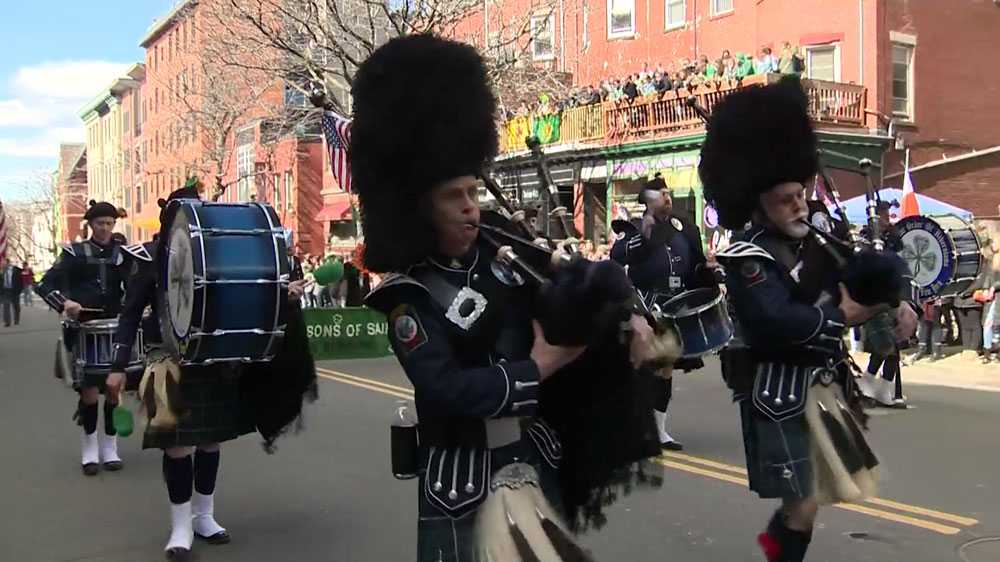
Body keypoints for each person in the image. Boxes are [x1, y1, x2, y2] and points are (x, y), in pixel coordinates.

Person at [350, 34, 664, 561]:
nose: (472, 208)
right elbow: (447, 387)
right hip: (462, 481)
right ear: (416, 207)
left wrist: (630, 313)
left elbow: (587, 276)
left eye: (474, 193)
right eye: (456, 198)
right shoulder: (408, 298)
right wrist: (537, 368)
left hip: (533, 460)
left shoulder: (504, 250)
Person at [701, 77, 918, 562]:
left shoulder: (815, 238)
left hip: (820, 386)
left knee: (812, 499)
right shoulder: (746, 257)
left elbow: (866, 272)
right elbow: (778, 322)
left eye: (800, 194)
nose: (799, 204)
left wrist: (899, 300)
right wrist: (841, 314)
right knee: (802, 502)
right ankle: (780, 551)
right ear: (757, 201)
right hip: (777, 391)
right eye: (785, 199)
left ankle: (777, 546)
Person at [107, 178, 316, 559]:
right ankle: (181, 525)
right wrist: (118, 365)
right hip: (166, 359)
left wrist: (280, 293)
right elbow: (130, 313)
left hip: (211, 354)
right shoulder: (149, 257)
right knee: (177, 446)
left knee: (208, 440)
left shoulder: (218, 254)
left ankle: (205, 515)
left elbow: (243, 295)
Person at [610, 173, 719, 451]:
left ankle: (659, 431)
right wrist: (644, 237)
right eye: (661, 195)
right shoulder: (635, 228)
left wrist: (707, 272)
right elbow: (618, 255)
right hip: (645, 305)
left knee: (666, 369)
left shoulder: (682, 227)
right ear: (648, 202)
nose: (667, 198)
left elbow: (693, 265)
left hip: (674, 307)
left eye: (668, 194)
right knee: (641, 369)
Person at [34, 201, 130, 474]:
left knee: (113, 389)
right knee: (89, 393)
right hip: (83, 329)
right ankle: (89, 447)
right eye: (100, 223)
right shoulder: (73, 253)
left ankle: (110, 446)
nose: (105, 228)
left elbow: (136, 284)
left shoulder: (124, 254)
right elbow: (44, 284)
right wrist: (64, 302)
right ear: (91, 225)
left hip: (115, 327)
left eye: (109, 223)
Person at [857, 200, 908, 407]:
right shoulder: (864, 236)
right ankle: (871, 386)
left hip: (891, 293)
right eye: (883, 213)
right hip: (874, 296)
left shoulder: (890, 236)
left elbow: (900, 248)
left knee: (892, 346)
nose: (886, 217)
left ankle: (875, 388)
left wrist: (891, 231)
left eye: (887, 213)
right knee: (886, 346)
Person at [1, 257, 23, 326]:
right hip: (6, 291)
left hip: (15, 290)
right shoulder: (2, 271)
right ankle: (7, 322)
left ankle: (16, 320)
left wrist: (19, 290)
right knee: (6, 306)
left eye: (3, 263)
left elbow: (20, 281)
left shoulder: (16, 270)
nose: (2, 264)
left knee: (16, 306)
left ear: (7, 263)